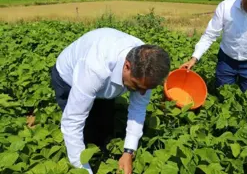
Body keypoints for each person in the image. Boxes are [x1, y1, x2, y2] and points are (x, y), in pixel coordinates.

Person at [50, 28, 171, 174]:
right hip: (68, 78)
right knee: (83, 131)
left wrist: (128, 152)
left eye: (147, 88)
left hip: (103, 84)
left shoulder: (147, 68)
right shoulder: (95, 68)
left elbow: (138, 109)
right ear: (127, 66)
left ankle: (101, 152)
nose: (142, 93)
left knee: (103, 127)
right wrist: (82, 170)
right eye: (138, 86)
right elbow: (72, 121)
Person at [180, 0, 247, 92]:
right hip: (226, 61)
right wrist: (194, 58)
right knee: (223, 95)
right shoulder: (226, 6)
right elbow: (210, 34)